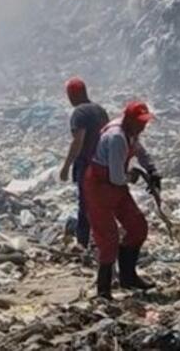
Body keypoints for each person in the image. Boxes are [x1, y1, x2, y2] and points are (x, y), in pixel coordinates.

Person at [84, 100, 162, 299]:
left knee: (138, 228)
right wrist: (133, 175)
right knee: (108, 239)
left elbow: (140, 152)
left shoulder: (131, 132)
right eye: (141, 122)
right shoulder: (117, 137)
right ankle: (103, 290)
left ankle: (129, 276)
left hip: (116, 188)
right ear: (129, 120)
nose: (144, 126)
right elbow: (116, 176)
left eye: (145, 122)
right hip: (99, 187)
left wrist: (152, 170)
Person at [59, 77, 109, 249]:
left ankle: (82, 243)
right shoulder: (100, 110)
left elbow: (78, 141)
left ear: (71, 95)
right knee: (101, 203)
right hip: (102, 163)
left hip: (87, 165)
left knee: (85, 204)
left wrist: (66, 167)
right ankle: (105, 240)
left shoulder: (79, 113)